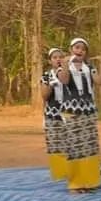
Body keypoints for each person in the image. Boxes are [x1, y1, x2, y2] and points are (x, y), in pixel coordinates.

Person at [59, 38, 101, 193]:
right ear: (70, 49)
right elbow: (64, 81)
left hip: (88, 110)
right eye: (77, 48)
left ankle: (90, 182)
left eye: (83, 49)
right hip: (72, 111)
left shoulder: (89, 67)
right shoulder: (63, 67)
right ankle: (76, 184)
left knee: (90, 146)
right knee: (75, 146)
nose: (80, 51)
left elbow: (99, 82)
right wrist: (65, 65)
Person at [40, 48, 68, 181]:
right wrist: (52, 82)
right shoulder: (46, 76)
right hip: (52, 114)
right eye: (55, 57)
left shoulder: (70, 74)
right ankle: (58, 173)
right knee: (54, 144)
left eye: (60, 57)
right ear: (50, 61)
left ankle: (70, 171)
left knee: (69, 143)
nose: (58, 60)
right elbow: (44, 96)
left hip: (69, 113)